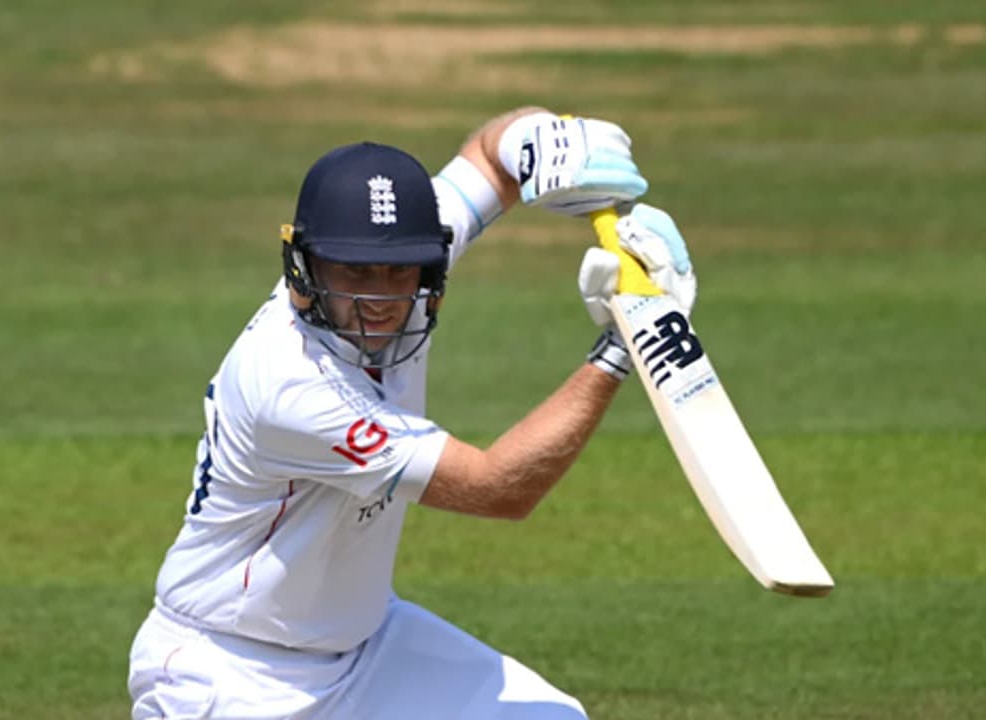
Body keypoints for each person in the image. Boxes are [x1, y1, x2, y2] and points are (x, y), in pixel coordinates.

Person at [127, 108, 698, 719]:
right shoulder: (288, 387)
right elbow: (497, 488)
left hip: (368, 649)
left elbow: (486, 155)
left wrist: (539, 138)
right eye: (354, 273)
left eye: (399, 273)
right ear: (304, 268)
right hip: (232, 669)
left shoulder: (407, 255)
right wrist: (621, 348)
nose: (377, 298)